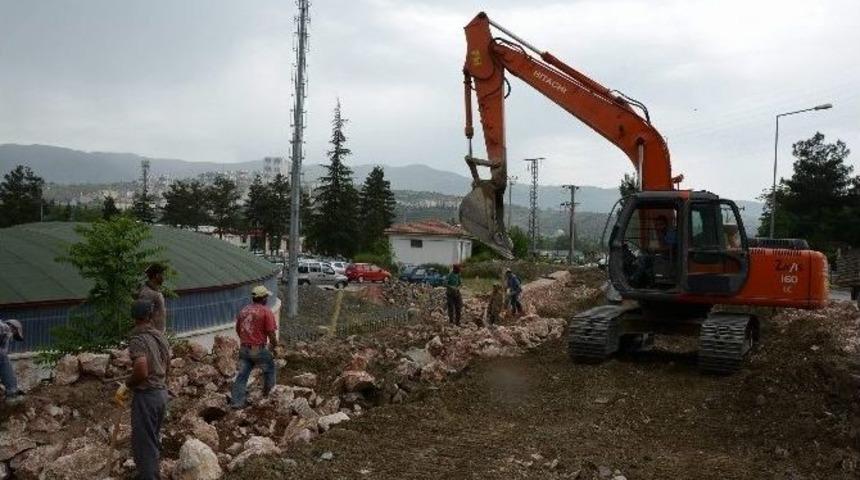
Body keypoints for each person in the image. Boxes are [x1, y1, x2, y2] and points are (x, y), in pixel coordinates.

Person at [114, 300, 171, 480]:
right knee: (152, 439)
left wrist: (126, 385)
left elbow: (141, 369)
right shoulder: (159, 336)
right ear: (150, 316)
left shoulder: (138, 339)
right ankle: (152, 474)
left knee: (143, 445)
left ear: (134, 317)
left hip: (147, 396)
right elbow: (166, 363)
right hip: (161, 393)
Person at [230, 285, 278, 409]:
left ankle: (237, 402)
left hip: (244, 349)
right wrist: (275, 345)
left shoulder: (244, 310)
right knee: (270, 369)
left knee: (242, 376)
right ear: (263, 298)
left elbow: (238, 330)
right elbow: (271, 332)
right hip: (258, 349)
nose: (267, 298)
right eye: (266, 296)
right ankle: (269, 397)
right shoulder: (266, 311)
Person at [0, 319, 25, 406]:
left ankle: (12, 389)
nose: (12, 336)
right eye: (14, 333)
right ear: (13, 328)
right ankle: (12, 391)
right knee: (4, 359)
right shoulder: (5, 327)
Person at [138, 263, 167, 332]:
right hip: (151, 334)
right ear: (157, 276)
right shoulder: (147, 293)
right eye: (162, 274)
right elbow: (142, 317)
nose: (164, 277)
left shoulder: (155, 291)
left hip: (158, 333)